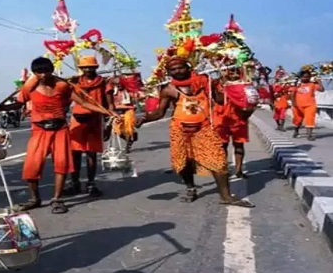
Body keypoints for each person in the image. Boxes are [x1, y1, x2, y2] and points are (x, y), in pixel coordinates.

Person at [0, 57, 110, 214]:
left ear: (52, 70)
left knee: (62, 164)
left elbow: (83, 103)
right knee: (32, 166)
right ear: (34, 73)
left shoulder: (62, 85)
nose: (43, 75)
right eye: (39, 72)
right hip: (39, 130)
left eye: (47, 71)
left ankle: (57, 199)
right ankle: (34, 199)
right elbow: (18, 104)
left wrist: (107, 112)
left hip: (60, 130)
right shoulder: (29, 87)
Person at [135, 56, 252, 207]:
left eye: (181, 68)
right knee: (183, 161)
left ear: (189, 67)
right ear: (168, 72)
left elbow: (220, 100)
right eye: (173, 69)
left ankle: (226, 196)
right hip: (179, 129)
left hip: (204, 127)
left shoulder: (204, 82)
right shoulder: (168, 89)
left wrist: (219, 85)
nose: (177, 71)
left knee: (218, 161)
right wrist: (144, 119)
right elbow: (159, 113)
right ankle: (191, 188)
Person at [65, 55, 106, 196]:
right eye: (85, 67)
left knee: (91, 154)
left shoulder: (103, 82)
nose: (88, 69)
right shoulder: (74, 82)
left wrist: (109, 121)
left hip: (94, 120)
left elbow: (108, 103)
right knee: (74, 153)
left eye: (91, 67)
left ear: (96, 67)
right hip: (77, 119)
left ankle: (91, 184)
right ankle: (74, 183)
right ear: (81, 69)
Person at [213, 65, 256, 179]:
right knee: (222, 145)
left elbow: (253, 101)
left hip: (239, 117)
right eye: (230, 71)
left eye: (235, 71)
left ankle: (238, 170)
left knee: (239, 145)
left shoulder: (246, 84)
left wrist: (246, 114)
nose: (233, 74)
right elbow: (219, 100)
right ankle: (224, 169)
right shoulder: (216, 84)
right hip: (222, 117)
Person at [291, 67, 324, 140]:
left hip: (310, 105)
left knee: (310, 119)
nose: (305, 78)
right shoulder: (297, 85)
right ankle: (296, 130)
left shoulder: (312, 85)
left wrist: (319, 82)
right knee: (298, 120)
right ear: (301, 77)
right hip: (298, 106)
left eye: (307, 77)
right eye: (304, 77)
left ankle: (309, 135)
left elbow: (322, 90)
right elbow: (292, 95)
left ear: (309, 77)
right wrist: (294, 104)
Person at [107, 75, 138, 153]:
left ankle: (128, 143)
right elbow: (110, 103)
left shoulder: (129, 91)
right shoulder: (112, 92)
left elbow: (139, 96)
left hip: (128, 111)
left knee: (128, 129)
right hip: (117, 112)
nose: (119, 85)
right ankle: (129, 139)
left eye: (120, 84)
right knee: (118, 130)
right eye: (117, 84)